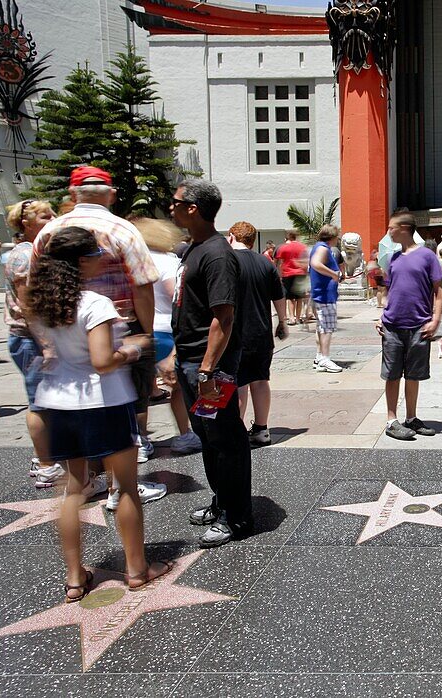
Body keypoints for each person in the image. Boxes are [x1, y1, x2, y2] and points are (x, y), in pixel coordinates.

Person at [27, 226, 171, 601]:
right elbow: (102, 361)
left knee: (74, 489)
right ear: (82, 261)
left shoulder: (40, 301)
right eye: (94, 256)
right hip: (102, 402)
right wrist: (134, 347)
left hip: (57, 401)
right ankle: (137, 568)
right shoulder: (94, 303)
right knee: (124, 486)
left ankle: (75, 576)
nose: (99, 261)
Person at [33, 166, 159, 465]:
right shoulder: (123, 229)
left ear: (72, 193)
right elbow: (142, 286)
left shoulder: (49, 230)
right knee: (123, 399)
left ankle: (74, 468)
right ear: (111, 194)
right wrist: (147, 334)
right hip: (117, 326)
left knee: (69, 401)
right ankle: (127, 456)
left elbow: (32, 283)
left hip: (60, 324)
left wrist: (42, 336)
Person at [168, 178, 253, 547]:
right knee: (207, 437)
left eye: (174, 202)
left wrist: (206, 370)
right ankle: (222, 503)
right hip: (191, 360)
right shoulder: (194, 249)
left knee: (226, 439)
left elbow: (224, 318)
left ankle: (237, 517)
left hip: (210, 367)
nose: (169, 208)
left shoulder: (217, 254)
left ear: (193, 209)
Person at [134, 217, 203, 461]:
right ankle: (184, 434)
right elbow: (177, 297)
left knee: (140, 390)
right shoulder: (167, 262)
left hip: (140, 333)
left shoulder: (131, 261)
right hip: (166, 331)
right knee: (177, 387)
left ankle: (140, 439)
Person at [2, 200, 59, 483]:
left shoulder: (39, 251)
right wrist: (47, 343)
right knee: (39, 402)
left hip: (35, 338)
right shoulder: (24, 255)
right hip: (29, 339)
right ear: (25, 223)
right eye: (44, 215)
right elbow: (29, 305)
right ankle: (45, 463)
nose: (53, 218)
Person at [378, 212, 442, 440]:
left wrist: (435, 320)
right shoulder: (394, 259)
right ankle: (391, 420)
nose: (389, 232)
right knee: (392, 374)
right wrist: (382, 316)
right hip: (393, 325)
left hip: (419, 325)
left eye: (391, 228)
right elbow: (390, 290)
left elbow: (439, 289)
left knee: (414, 375)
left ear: (404, 228)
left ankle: (411, 418)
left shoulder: (427, 256)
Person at [229, 221, 287, 448]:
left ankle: (236, 431)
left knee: (238, 383)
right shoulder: (266, 263)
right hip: (262, 332)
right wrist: (282, 322)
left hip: (236, 333)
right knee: (261, 380)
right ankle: (262, 429)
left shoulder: (228, 261)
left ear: (232, 236)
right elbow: (278, 296)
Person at [308, 224, 343, 373]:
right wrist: (333, 274)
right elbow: (315, 263)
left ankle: (319, 357)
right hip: (324, 295)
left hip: (320, 294)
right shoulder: (323, 248)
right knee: (327, 328)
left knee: (321, 327)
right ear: (333, 237)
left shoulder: (318, 247)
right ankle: (325, 358)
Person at [274, 231, 309, 325]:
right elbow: (305, 260)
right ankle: (298, 318)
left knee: (290, 297)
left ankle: (291, 318)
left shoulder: (283, 247)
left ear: (287, 238)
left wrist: (280, 275)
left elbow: (280, 262)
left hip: (288, 274)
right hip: (301, 273)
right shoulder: (302, 247)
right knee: (299, 297)